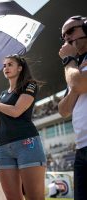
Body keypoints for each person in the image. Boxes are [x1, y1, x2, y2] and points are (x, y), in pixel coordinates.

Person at [0, 54, 46, 200]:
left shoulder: (30, 85)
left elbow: (16, 111)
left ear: (20, 68)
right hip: (3, 147)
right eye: (4, 65)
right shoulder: (3, 94)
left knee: (35, 197)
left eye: (10, 64)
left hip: (26, 143)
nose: (6, 68)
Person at [57, 15, 87, 200]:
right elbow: (63, 110)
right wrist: (76, 76)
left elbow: (79, 86)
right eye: (63, 36)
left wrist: (68, 60)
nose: (66, 37)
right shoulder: (75, 68)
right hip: (81, 148)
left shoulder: (72, 65)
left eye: (70, 31)